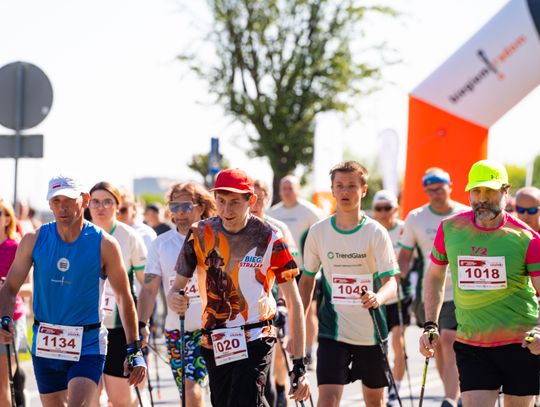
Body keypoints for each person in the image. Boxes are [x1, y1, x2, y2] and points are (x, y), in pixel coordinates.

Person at [167, 168, 310, 407]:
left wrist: (299, 363)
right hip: (216, 337)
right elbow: (176, 287)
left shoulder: (270, 237)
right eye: (221, 201)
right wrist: (174, 298)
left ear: (250, 200)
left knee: (244, 401)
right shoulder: (199, 233)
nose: (226, 210)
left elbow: (294, 300)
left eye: (234, 202)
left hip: (256, 334)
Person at [0, 175, 146, 407]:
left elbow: (123, 297)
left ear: (84, 200)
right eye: (56, 201)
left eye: (68, 199)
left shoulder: (105, 244)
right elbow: (9, 289)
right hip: (45, 342)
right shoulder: (33, 240)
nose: (62, 206)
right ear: (49, 204)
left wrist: (134, 349)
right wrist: (4, 319)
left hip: (88, 344)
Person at [419, 160, 540, 407]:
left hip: (519, 343)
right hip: (472, 343)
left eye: (490, 191)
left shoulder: (527, 238)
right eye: (476, 191)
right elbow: (435, 276)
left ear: (505, 191)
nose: (482, 198)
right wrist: (430, 324)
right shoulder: (450, 229)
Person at [298, 161, 400, 407]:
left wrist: (378, 297)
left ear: (363, 190)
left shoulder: (375, 232)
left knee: (374, 401)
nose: (345, 191)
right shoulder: (319, 232)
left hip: (371, 333)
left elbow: (391, 283)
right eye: (340, 186)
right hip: (332, 332)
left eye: (352, 186)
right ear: (332, 190)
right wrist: (296, 325)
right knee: (328, 399)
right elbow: (307, 280)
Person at [138, 182, 216, 406]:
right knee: (187, 394)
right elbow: (149, 288)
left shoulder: (216, 238)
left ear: (201, 207)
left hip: (213, 330)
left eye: (186, 206)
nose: (180, 212)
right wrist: (141, 324)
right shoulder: (160, 244)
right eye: (174, 206)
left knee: (198, 391)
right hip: (177, 332)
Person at [398, 167, 468, 407]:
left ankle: (451, 398)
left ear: (450, 186)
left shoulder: (464, 213)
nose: (436, 194)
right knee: (436, 344)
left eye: (439, 189)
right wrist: (397, 277)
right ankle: (454, 392)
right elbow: (405, 255)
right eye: (430, 191)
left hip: (460, 290)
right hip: (430, 291)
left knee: (449, 339)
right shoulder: (416, 217)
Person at [88, 181, 147, 407]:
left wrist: (143, 322)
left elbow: (146, 284)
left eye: (107, 202)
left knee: (120, 399)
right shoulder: (80, 235)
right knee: (89, 399)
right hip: (87, 328)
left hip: (120, 329)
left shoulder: (129, 236)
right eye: (95, 202)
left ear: (117, 205)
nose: (100, 207)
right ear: (88, 205)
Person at [251, 179, 299, 407]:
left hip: (276, 299)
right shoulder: (237, 229)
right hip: (251, 306)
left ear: (268, 200)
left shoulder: (278, 229)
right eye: (251, 199)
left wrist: (282, 302)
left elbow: (289, 271)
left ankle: (280, 390)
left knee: (279, 350)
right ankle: (268, 392)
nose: (254, 204)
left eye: (259, 199)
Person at [268, 174, 323, 367]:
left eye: (290, 188)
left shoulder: (311, 211)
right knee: (283, 311)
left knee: (308, 311)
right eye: (284, 188)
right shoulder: (273, 212)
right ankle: (286, 350)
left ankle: (308, 351)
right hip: (279, 270)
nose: (287, 191)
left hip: (304, 270)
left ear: (298, 189)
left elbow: (321, 236)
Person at [371, 190, 412, 407]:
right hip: (377, 297)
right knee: (381, 348)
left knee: (398, 343)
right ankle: (387, 381)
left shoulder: (404, 229)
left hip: (399, 296)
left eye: (388, 208)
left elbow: (414, 257)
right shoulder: (370, 230)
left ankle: (396, 388)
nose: (383, 212)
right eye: (379, 208)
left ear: (395, 209)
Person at [0, 198, 32, 406]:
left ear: (7, 219)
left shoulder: (16, 247)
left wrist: (6, 287)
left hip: (8, 320)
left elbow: (30, 289)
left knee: (2, 386)